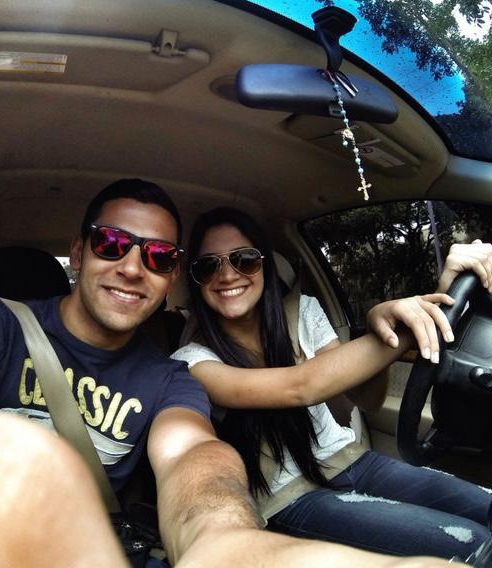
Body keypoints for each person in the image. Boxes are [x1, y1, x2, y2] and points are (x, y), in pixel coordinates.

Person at [0, 179, 456, 567]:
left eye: (159, 256)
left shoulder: (169, 380)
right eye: (112, 243)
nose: (133, 267)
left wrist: (225, 539)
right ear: (79, 252)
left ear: (169, 279)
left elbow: (196, 460)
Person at [172, 206, 492, 561]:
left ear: (263, 264)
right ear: (196, 280)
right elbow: (301, 386)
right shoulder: (192, 361)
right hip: (289, 499)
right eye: (208, 266)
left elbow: (365, 398)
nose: (228, 275)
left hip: (354, 460)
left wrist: (380, 325)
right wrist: (407, 322)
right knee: (474, 543)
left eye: (243, 259)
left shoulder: (303, 312)